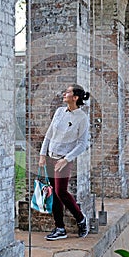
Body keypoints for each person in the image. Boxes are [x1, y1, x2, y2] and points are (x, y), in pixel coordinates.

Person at [39, 84, 90, 240]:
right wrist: (42, 154)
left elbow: (82, 144)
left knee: (61, 191)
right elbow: (49, 134)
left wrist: (66, 159)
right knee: (54, 194)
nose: (64, 94)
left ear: (75, 98)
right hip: (49, 157)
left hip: (64, 160)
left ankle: (81, 219)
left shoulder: (82, 118)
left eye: (67, 92)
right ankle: (60, 228)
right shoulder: (59, 112)